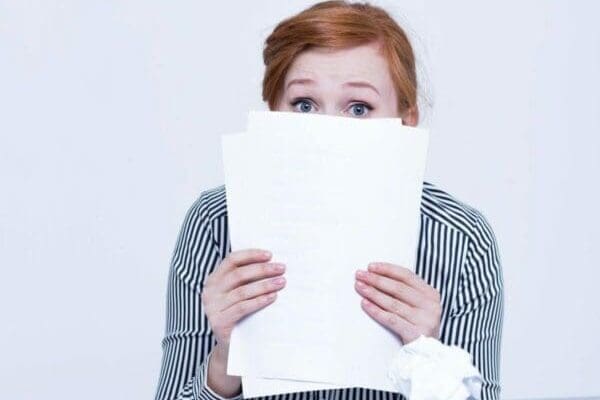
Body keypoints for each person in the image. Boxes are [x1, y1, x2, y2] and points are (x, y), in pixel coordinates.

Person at [153, 1, 504, 400]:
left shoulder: (462, 241)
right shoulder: (215, 223)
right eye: (304, 104)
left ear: (406, 122)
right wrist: (226, 359)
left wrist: (430, 361)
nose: (328, 131)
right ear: (274, 113)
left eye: (359, 108)